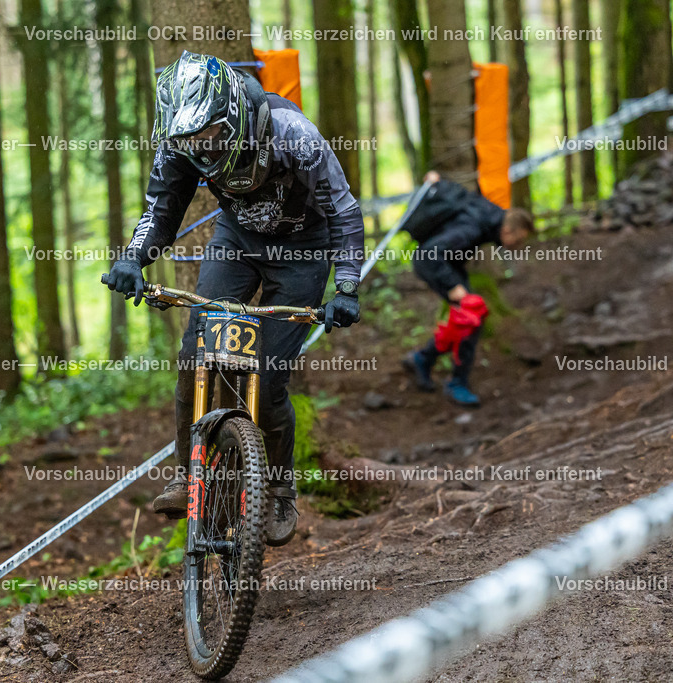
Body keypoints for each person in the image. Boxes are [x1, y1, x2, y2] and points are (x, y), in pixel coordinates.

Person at [104, 51, 364, 547]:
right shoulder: (179, 142)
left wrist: (346, 286)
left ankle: (280, 488)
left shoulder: (292, 134)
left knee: (267, 381)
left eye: (211, 136)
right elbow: (162, 207)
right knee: (194, 356)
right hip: (237, 242)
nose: (202, 149)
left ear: (233, 114)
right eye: (192, 142)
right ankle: (188, 476)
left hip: (303, 251)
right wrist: (133, 259)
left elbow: (344, 211)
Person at [402, 171, 534, 406]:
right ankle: (455, 382)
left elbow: (459, 194)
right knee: (472, 315)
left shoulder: (490, 214)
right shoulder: (472, 228)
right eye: (519, 240)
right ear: (508, 231)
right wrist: (454, 288)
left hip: (447, 264)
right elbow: (431, 254)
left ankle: (423, 359)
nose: (518, 246)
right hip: (432, 263)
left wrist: (437, 181)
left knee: (467, 316)